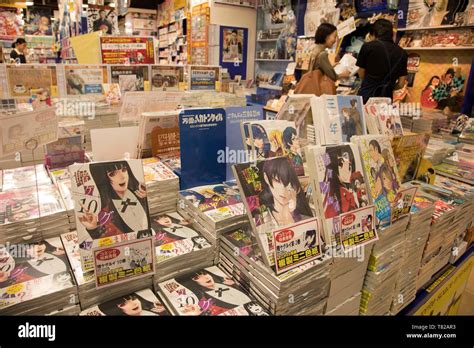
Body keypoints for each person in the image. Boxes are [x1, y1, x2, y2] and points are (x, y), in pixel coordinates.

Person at [356, 19, 408, 103]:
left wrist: (369, 83)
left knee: (365, 116)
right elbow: (401, 83)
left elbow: (361, 72)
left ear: (374, 33)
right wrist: (389, 87)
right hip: (386, 98)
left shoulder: (367, 47)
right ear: (391, 34)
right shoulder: (402, 53)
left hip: (367, 96)